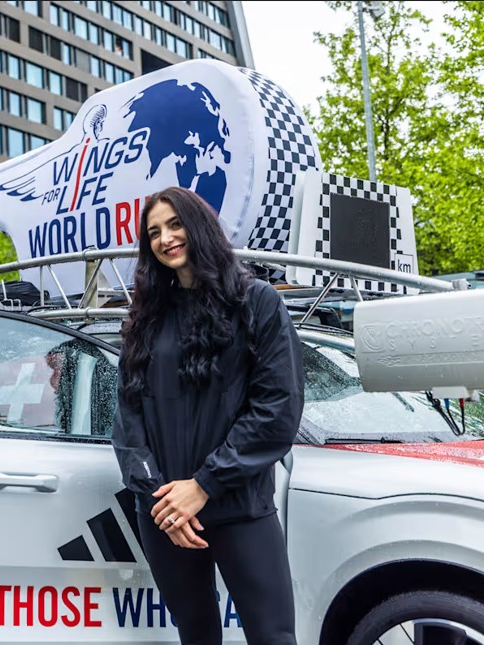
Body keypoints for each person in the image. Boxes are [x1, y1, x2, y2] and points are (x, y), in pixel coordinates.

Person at [112, 186, 304, 644]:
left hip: (238, 506)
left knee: (273, 636)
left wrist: (202, 486)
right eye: (154, 231)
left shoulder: (257, 302)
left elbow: (278, 408)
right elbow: (127, 418)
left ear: (199, 227)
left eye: (175, 224)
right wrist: (162, 499)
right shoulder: (144, 317)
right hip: (164, 513)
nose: (165, 238)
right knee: (195, 635)